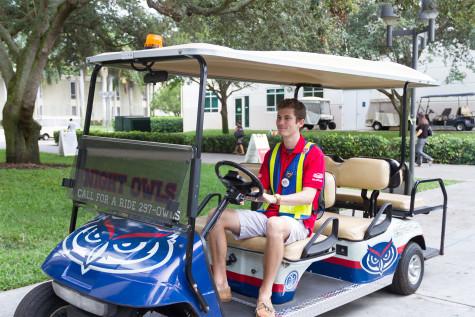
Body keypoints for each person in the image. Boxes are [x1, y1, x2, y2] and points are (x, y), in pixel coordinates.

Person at [207, 99, 325, 317]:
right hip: (269, 216)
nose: (281, 122)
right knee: (215, 216)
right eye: (279, 117)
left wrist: (276, 199)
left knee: (274, 225)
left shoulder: (313, 154)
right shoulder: (273, 153)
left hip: (298, 222)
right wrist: (245, 193)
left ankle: (265, 294)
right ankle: (221, 283)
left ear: (300, 122)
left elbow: (309, 195)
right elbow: (262, 191)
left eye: (287, 118)